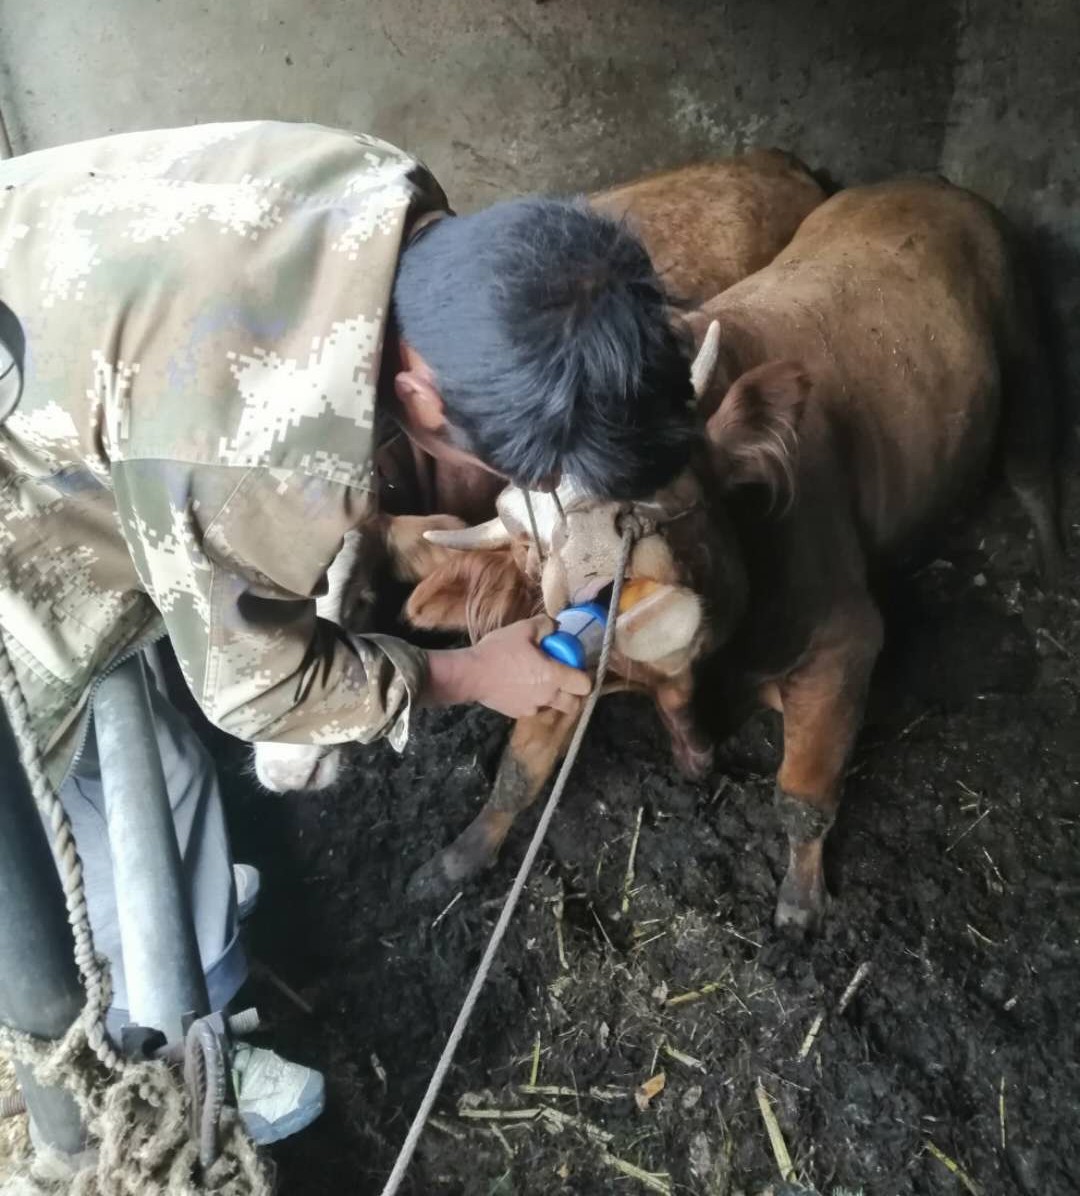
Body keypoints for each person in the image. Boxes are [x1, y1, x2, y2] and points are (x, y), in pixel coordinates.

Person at [0, 121, 697, 1144]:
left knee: (171, 780)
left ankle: (194, 933)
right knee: (69, 837)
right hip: (24, 545)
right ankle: (154, 1060)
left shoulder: (387, 195)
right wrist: (469, 673)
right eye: (523, 469)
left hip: (59, 338)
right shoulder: (258, 455)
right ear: (418, 396)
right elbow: (257, 689)